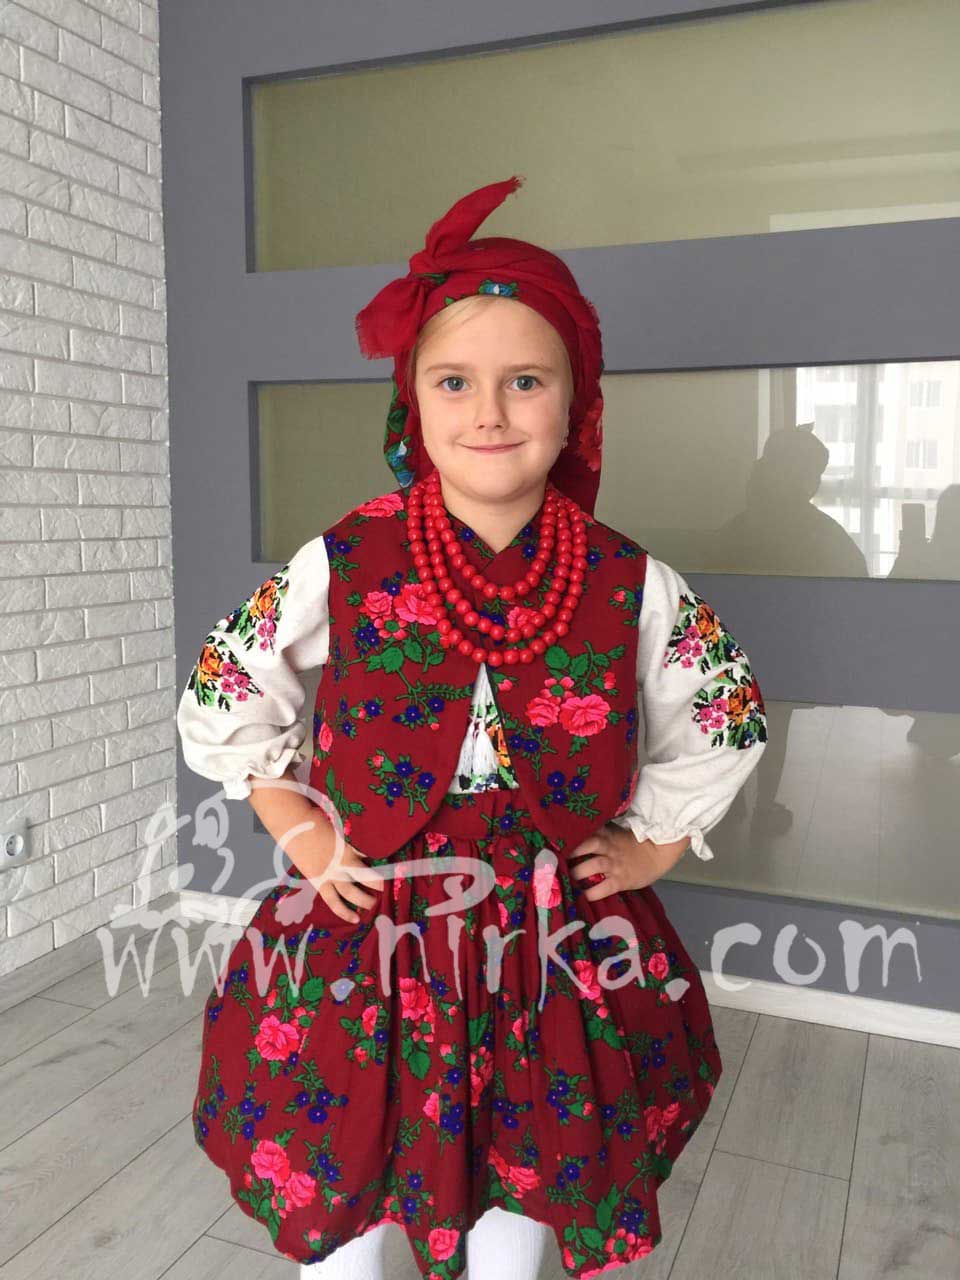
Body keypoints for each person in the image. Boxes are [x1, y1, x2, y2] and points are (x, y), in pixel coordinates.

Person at [176, 176, 768, 1280]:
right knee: (344, 1143)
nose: (489, 412)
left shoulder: (627, 579)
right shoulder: (348, 556)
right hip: (371, 909)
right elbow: (231, 683)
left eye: (525, 381)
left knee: (524, 1140)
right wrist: (299, 827)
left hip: (549, 927)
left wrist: (652, 845)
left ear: (575, 404)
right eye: (455, 381)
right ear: (413, 402)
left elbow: (722, 711)